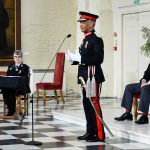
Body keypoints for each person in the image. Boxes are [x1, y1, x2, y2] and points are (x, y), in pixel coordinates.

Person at [66, 11, 105, 142]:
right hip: (84, 77)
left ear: (92, 24)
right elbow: (84, 58)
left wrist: (81, 58)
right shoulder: (85, 39)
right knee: (86, 105)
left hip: (93, 77)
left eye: (84, 22)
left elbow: (99, 58)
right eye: (80, 22)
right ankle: (90, 131)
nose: (81, 25)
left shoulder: (96, 40)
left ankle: (99, 134)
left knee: (93, 104)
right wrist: (74, 59)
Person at [2, 50, 30, 116]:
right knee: (4, 91)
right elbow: (8, 77)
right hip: (11, 86)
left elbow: (25, 79)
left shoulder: (25, 67)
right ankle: (12, 109)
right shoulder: (10, 67)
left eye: (19, 57)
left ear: (21, 58)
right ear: (13, 58)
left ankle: (11, 111)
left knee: (12, 92)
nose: (17, 58)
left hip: (21, 87)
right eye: (15, 57)